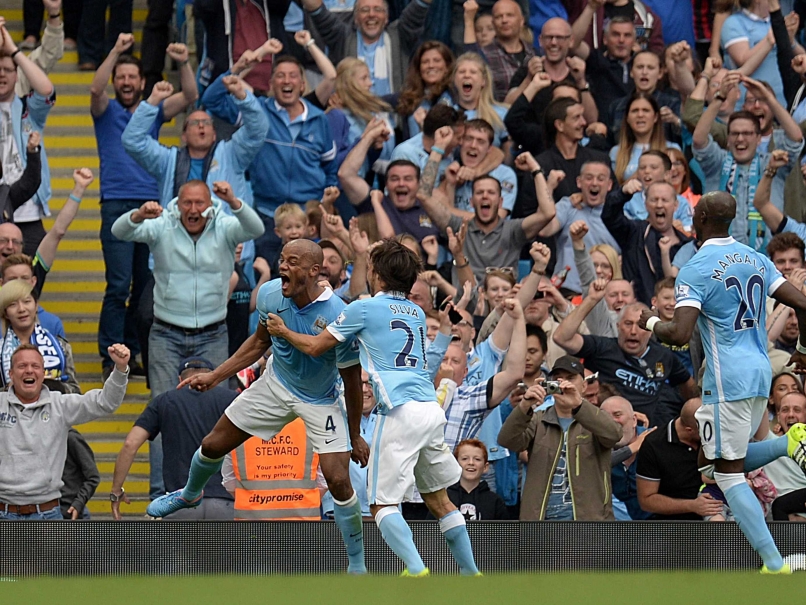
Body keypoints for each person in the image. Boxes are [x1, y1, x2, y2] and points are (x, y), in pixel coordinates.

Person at [145, 239, 368, 574]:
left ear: (314, 271)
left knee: (338, 480)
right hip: (275, 386)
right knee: (212, 445)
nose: (283, 267)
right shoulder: (270, 294)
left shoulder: (337, 314)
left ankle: (357, 561)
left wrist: (355, 435)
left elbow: (351, 379)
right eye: (282, 259)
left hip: (321, 399)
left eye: (292, 262)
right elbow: (260, 342)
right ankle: (190, 494)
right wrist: (216, 375)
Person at [265, 239, 481, 577]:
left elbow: (316, 347)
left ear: (377, 275)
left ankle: (415, 569)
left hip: (398, 410)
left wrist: (283, 330)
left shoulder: (363, 308)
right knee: (439, 501)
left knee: (381, 504)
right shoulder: (416, 313)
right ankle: (471, 573)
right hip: (428, 408)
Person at [638, 190, 806, 573]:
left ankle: (773, 563)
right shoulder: (756, 258)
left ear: (698, 220)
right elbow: (803, 303)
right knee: (713, 462)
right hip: (760, 372)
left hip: (726, 378)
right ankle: (788, 442)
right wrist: (804, 349)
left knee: (726, 475)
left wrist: (649, 322)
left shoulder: (696, 268)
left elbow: (679, 334)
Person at [91, 35, 197, 379]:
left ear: (141, 82)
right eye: (120, 77)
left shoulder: (153, 111)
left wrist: (182, 63)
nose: (125, 82)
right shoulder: (105, 112)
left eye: (131, 77)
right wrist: (116, 50)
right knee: (118, 284)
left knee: (143, 283)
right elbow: (94, 90)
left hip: (152, 205)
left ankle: (133, 352)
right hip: (116, 204)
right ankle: (110, 355)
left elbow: (191, 96)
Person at [111, 181, 264, 400]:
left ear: (210, 205)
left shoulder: (225, 226)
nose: (193, 209)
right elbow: (119, 231)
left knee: (213, 405)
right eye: (187, 203)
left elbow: (255, 228)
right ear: (178, 204)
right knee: (164, 405)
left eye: (199, 203)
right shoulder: (162, 225)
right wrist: (139, 215)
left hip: (213, 334)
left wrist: (232, 200)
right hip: (166, 334)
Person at [201, 55, 338, 265]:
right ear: (271, 83)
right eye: (280, 76)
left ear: (302, 85)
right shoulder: (257, 111)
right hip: (267, 216)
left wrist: (325, 201)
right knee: (265, 276)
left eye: (293, 76)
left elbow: (330, 167)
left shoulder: (319, 119)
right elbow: (211, 100)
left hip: (307, 218)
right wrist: (234, 71)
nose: (286, 81)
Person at [0, 343, 130, 520]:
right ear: (11, 374)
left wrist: (120, 369)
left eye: (35, 366)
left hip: (47, 514)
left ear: (43, 373)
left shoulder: (60, 405)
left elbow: (105, 402)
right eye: (22, 366)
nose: (29, 370)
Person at [110, 356, 237, 520]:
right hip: (226, 502)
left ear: (180, 379)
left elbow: (130, 444)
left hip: (180, 502)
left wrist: (116, 491)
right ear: (211, 376)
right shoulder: (231, 399)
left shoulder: (164, 401)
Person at [497, 356, 623, 520]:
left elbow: (615, 435)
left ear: (584, 385)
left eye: (570, 378)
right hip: (542, 522)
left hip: (589, 522)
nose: (563, 384)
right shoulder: (538, 419)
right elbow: (506, 441)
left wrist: (579, 404)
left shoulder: (595, 420)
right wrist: (524, 406)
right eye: (557, 380)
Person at [554, 286, 697, 426]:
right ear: (618, 326)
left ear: (651, 331)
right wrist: (591, 299)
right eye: (628, 324)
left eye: (641, 326)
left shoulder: (663, 356)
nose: (633, 331)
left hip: (644, 430)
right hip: (604, 425)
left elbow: (688, 384)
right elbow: (561, 337)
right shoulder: (602, 347)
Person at [692, 73, 803, 253]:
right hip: (721, 258)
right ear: (728, 139)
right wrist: (719, 97)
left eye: (747, 133)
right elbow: (699, 140)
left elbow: (796, 138)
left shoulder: (774, 163)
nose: (740, 139)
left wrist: (767, 98)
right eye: (735, 134)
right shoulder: (717, 163)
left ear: (759, 138)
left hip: (767, 258)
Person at [121, 76, 268, 210]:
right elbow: (132, 141)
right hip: (178, 237)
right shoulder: (167, 160)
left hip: (227, 238)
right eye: (194, 123)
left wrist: (242, 97)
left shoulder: (232, 154)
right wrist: (152, 101)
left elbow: (258, 130)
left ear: (214, 135)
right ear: (184, 136)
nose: (201, 126)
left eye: (206, 122)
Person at [417, 149, 556, 284]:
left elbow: (548, 213)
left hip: (503, 303)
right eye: (479, 192)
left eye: (491, 192)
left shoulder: (513, 230)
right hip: (463, 305)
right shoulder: (458, 227)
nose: (485, 196)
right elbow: (423, 195)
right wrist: (438, 148)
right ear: (471, 202)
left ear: (501, 202)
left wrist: (535, 169)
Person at [0, 24, 56, 256]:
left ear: (17, 75)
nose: (2, 74)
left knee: (28, 284)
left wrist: (13, 51)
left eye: (7, 69)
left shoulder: (27, 108)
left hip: (29, 213)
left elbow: (45, 89)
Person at [301, 0, 432, 94]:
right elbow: (316, 9)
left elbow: (419, 8)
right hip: (354, 121)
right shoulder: (342, 38)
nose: (371, 14)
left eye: (378, 9)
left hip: (395, 120)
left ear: (386, 18)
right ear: (356, 18)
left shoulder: (399, 36)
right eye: (364, 10)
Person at [603, 181, 693, 305]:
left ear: (675, 205)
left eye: (665, 200)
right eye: (654, 200)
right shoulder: (633, 233)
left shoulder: (688, 245)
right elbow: (609, 216)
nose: (659, 205)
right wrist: (623, 193)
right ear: (645, 205)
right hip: (637, 315)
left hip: (674, 315)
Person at [538, 159, 621, 294]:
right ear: (579, 182)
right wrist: (549, 187)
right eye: (589, 178)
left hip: (605, 294)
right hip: (567, 291)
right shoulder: (568, 206)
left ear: (610, 184)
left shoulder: (618, 216)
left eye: (601, 179)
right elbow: (544, 228)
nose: (594, 183)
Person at [636, 398, 713, 520]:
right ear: (690, 430)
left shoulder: (713, 437)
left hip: (718, 508)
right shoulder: (654, 445)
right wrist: (692, 505)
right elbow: (646, 500)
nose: (712, 434)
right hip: (675, 523)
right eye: (707, 430)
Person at [0, 279, 79, 394]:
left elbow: (75, 391)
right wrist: (10, 390)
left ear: (36, 305)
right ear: (5, 313)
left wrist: (53, 387)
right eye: (13, 304)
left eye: (27, 301)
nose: (21, 309)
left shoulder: (60, 346)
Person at [535, 97, 611, 202]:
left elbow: (613, 200)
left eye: (582, 117)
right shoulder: (540, 165)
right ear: (560, 125)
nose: (584, 122)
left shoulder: (599, 159)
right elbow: (529, 211)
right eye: (576, 118)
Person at [462, 0, 536, 102]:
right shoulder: (484, 54)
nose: (504, 20)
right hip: (498, 114)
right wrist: (469, 20)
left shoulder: (535, 54)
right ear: (493, 23)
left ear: (522, 20)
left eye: (510, 15)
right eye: (498, 17)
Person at [601, 396, 655, 520]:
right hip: (614, 525)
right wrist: (632, 448)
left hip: (659, 522)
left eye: (617, 415)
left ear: (634, 420)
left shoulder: (655, 442)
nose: (612, 421)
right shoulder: (595, 447)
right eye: (605, 417)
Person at [609, 92, 679, 184]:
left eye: (646, 110)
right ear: (627, 118)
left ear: (655, 117)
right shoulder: (616, 152)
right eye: (635, 111)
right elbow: (613, 193)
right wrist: (638, 173)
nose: (640, 115)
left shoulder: (672, 149)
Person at [393, 41, 455, 140]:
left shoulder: (456, 95)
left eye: (437, 60)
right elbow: (376, 102)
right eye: (425, 62)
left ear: (447, 67)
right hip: (411, 154)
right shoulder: (408, 97)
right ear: (419, 68)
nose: (431, 65)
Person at [451, 53, 510, 151]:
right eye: (461, 72)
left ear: (483, 81)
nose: (466, 75)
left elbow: (508, 154)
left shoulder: (501, 114)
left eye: (473, 72)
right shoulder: (447, 114)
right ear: (454, 79)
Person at [447, 439, 509, 520]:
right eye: (465, 458)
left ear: (485, 467)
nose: (471, 463)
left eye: (477, 459)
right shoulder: (445, 499)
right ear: (455, 464)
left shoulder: (494, 501)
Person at [59, 429, 100, 520]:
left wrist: (78, 503)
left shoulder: (71, 438)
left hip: (70, 512)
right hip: (48, 511)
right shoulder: (41, 440)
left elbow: (93, 477)